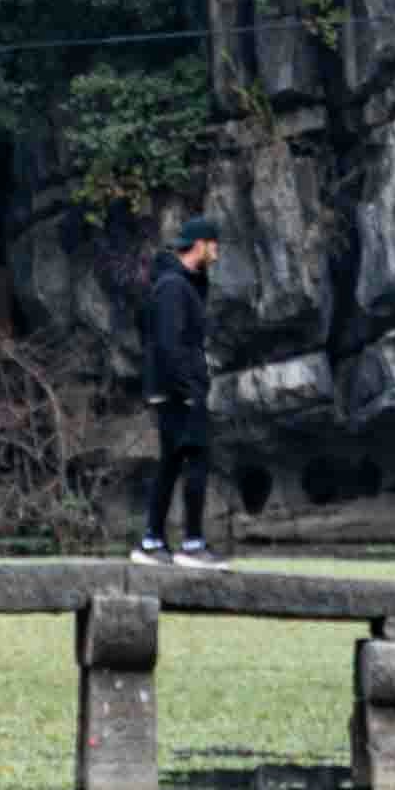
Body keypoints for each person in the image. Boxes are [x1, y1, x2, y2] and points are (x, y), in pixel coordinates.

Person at [130, 221, 221, 564]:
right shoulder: (172, 286)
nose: (218, 251)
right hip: (179, 391)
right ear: (200, 244)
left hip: (175, 389)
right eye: (214, 244)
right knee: (197, 457)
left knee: (171, 462)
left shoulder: (185, 284)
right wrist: (189, 390)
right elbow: (168, 344)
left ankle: (152, 542)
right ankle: (193, 544)